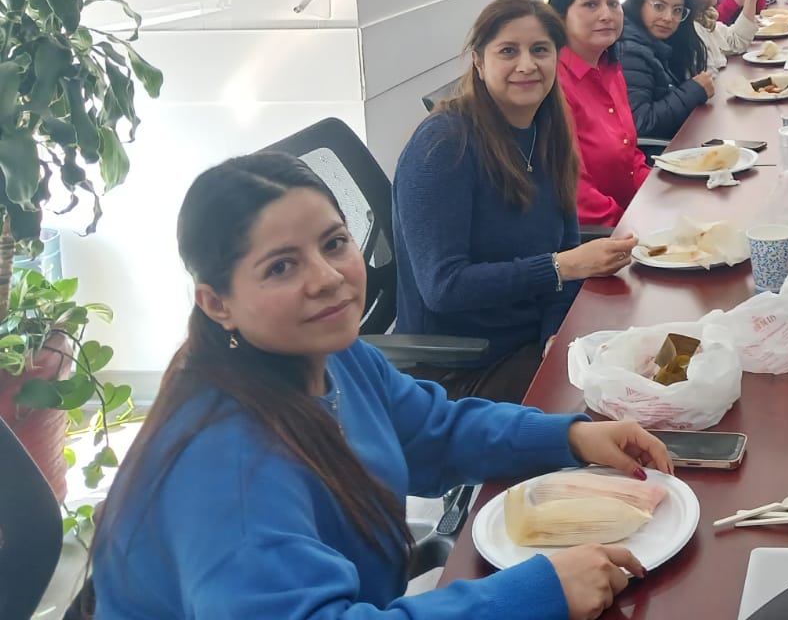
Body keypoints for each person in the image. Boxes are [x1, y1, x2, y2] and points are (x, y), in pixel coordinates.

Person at [90, 152, 671, 620]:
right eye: (282, 266)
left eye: (334, 243)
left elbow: (435, 434)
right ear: (217, 303)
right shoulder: (226, 471)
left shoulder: (336, 357)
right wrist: (533, 595)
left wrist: (569, 437)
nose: (328, 278)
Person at [392, 0, 636, 401]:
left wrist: (554, 333)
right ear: (478, 61)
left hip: (529, 339)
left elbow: (565, 253)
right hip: (462, 369)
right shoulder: (444, 145)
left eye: (540, 50)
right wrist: (560, 267)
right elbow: (443, 287)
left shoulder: (548, 130)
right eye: (508, 51)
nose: (526, 65)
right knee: (619, 410)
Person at [549, 0, 650, 228]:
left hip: (633, 215)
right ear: (560, 16)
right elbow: (576, 194)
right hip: (599, 235)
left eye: (613, 3)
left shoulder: (610, 67)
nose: (606, 15)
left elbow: (630, 156)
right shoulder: (553, 85)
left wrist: (661, 194)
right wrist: (634, 227)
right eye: (591, 4)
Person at [615, 0, 714, 140]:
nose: (668, 18)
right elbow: (642, 123)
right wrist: (693, 91)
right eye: (659, 6)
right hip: (657, 152)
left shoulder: (660, 42)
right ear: (639, 3)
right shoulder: (630, 53)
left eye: (677, 10)